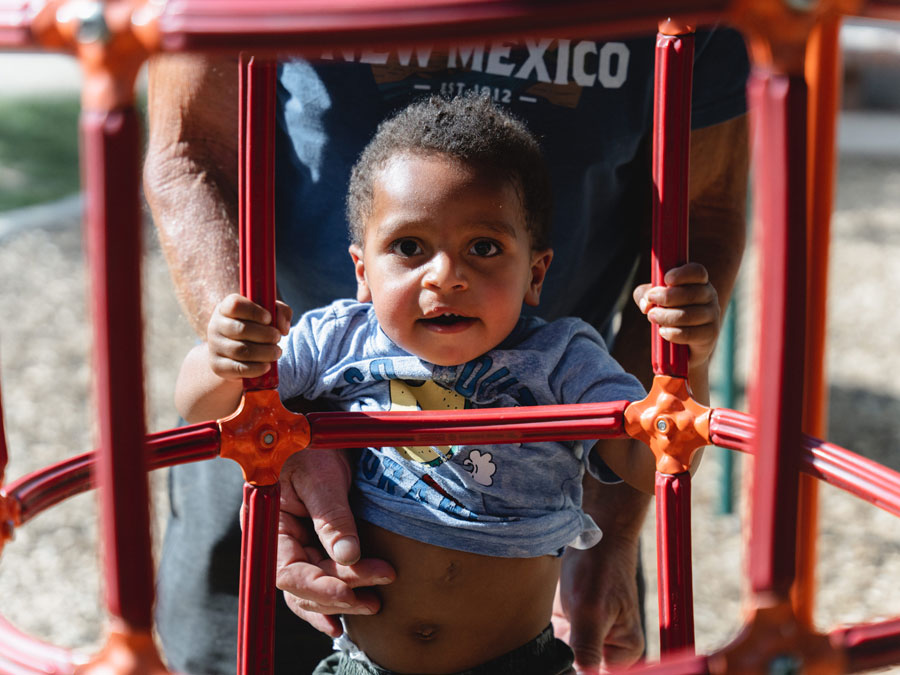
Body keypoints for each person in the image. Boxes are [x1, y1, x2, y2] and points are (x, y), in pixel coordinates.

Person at [144, 27, 749, 674]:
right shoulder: (333, 340)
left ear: (538, 271)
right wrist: (234, 352)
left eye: (483, 248)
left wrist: (683, 361)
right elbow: (190, 149)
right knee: (231, 654)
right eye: (409, 248)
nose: (445, 276)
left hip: (518, 653)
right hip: (318, 559)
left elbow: (647, 445)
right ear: (361, 269)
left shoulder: (560, 360)